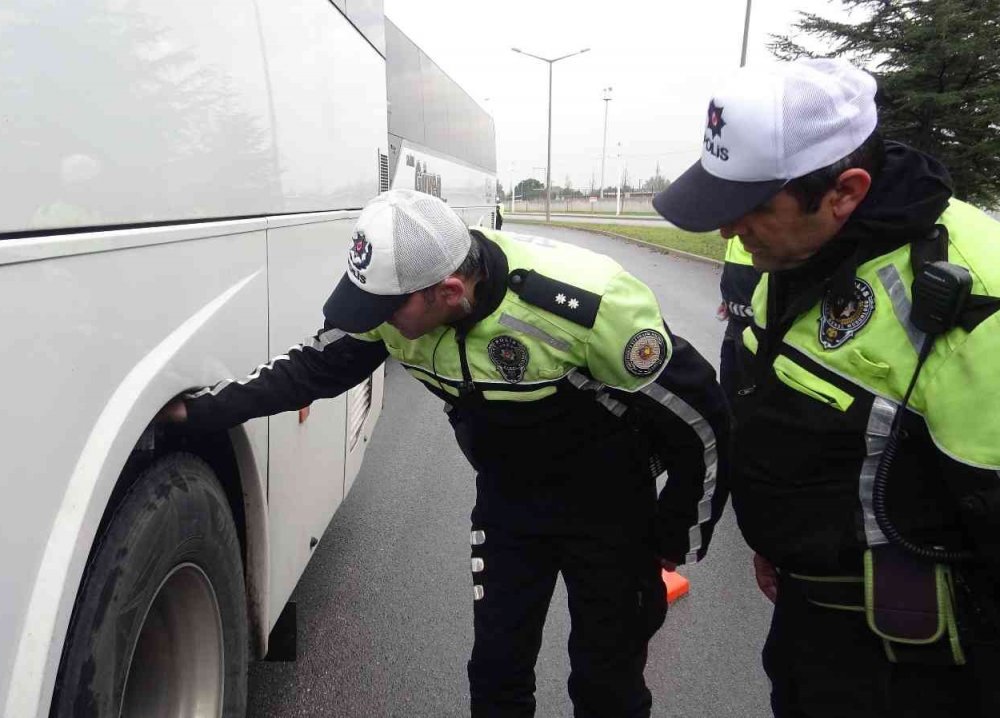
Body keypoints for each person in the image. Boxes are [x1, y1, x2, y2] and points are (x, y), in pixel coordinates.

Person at [159, 188, 728, 717]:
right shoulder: (393, 308)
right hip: (509, 503)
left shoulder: (584, 307)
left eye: (382, 311)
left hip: (609, 509)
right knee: (496, 673)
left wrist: (674, 536)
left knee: (608, 683)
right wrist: (200, 411)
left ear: (449, 292)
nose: (370, 323)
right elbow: (311, 369)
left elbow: (700, 420)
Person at [654, 58, 1000, 717]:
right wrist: (775, 541)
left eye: (747, 208)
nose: (728, 232)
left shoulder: (979, 297)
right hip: (810, 628)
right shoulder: (788, 249)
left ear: (844, 191)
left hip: (923, 668)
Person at [716, 236, 759, 402]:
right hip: (735, 319)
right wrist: (727, 298)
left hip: (758, 328)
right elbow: (732, 260)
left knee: (749, 392)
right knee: (728, 383)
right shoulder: (735, 226)